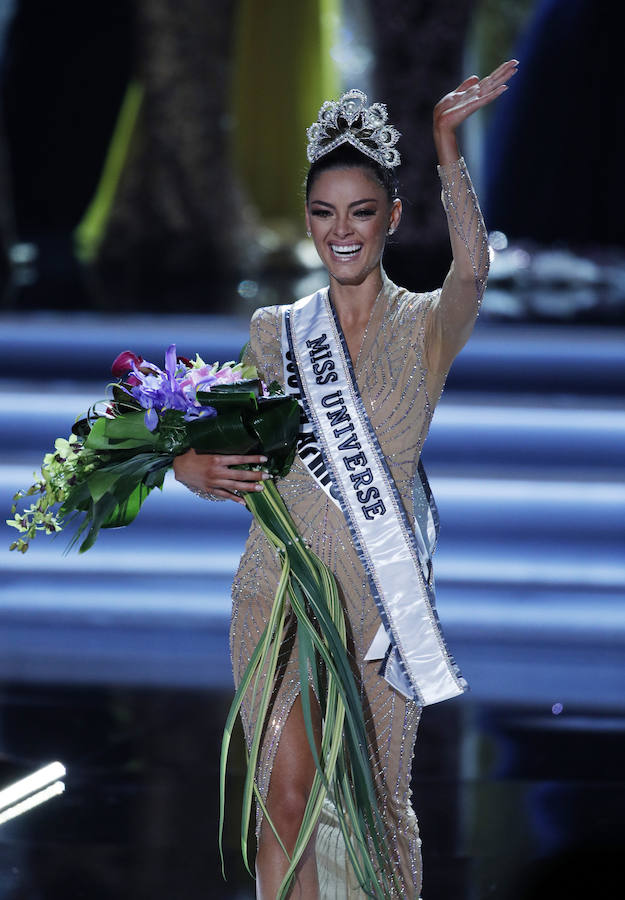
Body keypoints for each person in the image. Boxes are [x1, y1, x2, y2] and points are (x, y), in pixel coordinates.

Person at [173, 59, 518, 899]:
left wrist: (446, 146)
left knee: (377, 809)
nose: (342, 230)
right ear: (307, 221)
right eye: (324, 213)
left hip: (377, 603)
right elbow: (214, 436)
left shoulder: (426, 327)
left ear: (391, 217)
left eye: (361, 211)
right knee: (282, 800)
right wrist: (186, 462)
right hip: (277, 586)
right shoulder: (275, 331)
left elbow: (472, 273)